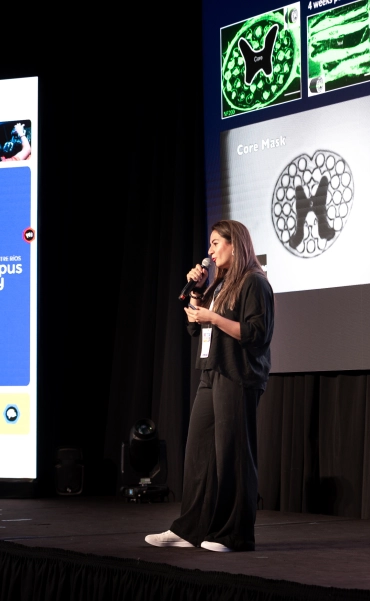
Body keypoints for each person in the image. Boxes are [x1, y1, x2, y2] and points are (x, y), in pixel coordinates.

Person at [145, 220, 274, 552]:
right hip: (211, 372)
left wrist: (213, 318)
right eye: (210, 245)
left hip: (238, 375)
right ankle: (190, 529)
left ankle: (235, 535)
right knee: (199, 454)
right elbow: (201, 330)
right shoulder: (219, 286)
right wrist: (197, 298)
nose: (210, 252)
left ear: (235, 244)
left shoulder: (254, 283)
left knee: (233, 455)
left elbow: (257, 335)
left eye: (216, 244)